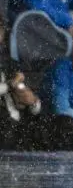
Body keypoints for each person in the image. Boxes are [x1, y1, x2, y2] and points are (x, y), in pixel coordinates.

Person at [0, 15, 42, 150]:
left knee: (54, 124)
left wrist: (33, 102)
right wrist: (10, 85)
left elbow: (24, 89)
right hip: (5, 125)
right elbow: (10, 85)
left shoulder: (10, 63)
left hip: (18, 124)